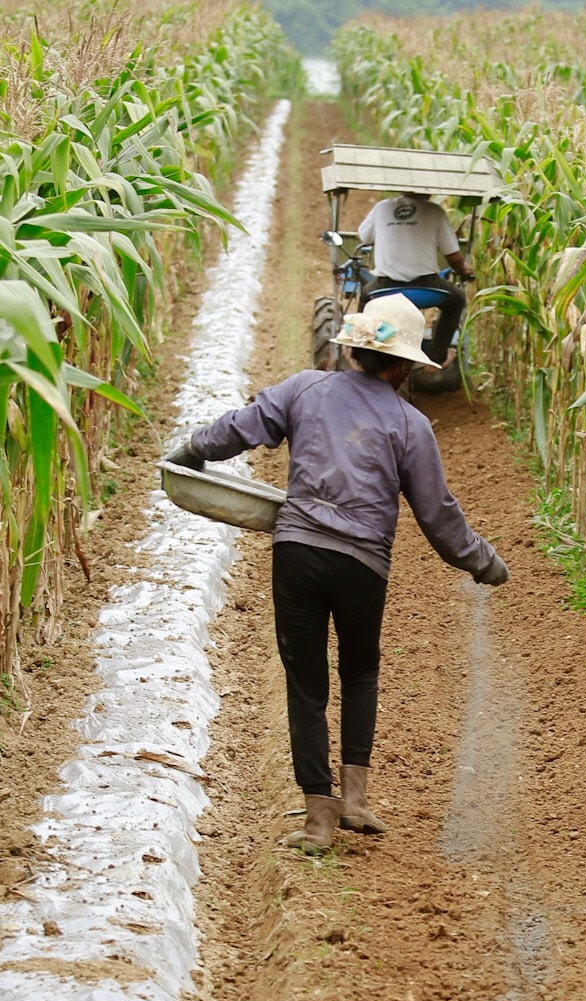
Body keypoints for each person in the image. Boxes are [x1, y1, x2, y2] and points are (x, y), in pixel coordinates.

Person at [166, 295, 509, 854]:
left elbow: (239, 427)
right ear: (401, 365)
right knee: (360, 670)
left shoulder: (305, 388)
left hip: (297, 552)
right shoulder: (409, 424)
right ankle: (355, 798)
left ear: (350, 348)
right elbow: (437, 514)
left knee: (306, 684)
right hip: (362, 564)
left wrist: (191, 451)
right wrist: (480, 560)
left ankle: (318, 818)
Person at [356, 191, 472, 365]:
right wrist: (464, 271)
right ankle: (436, 356)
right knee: (457, 299)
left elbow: (364, 236)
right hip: (428, 288)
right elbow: (453, 257)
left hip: (385, 289)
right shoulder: (435, 211)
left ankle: (361, 354)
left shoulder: (382, 207)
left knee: (366, 296)